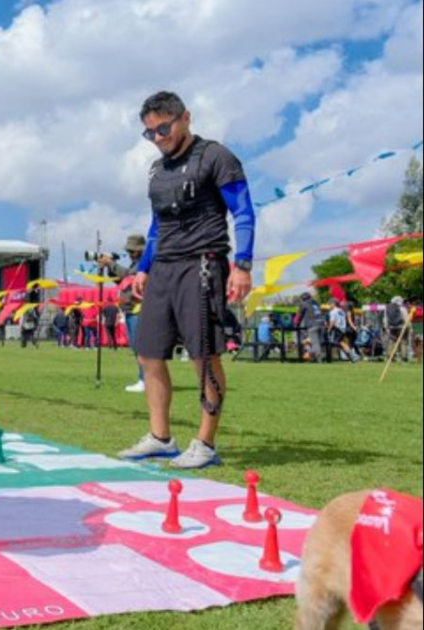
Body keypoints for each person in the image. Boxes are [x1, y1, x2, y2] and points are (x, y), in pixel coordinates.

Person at [120, 91, 256, 470]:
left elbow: (243, 212)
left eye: (164, 127)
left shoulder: (216, 156)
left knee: (203, 357)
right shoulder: (156, 170)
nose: (159, 137)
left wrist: (242, 264)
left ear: (186, 118)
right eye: (151, 133)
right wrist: (143, 268)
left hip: (202, 263)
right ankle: (161, 438)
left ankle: (205, 444)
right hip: (162, 266)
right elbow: (155, 228)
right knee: (148, 353)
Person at [103, 235, 148, 392]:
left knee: (141, 347)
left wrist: (111, 263)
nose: (130, 253)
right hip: (131, 309)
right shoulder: (136, 263)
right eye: (129, 251)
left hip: (139, 309)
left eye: (133, 251)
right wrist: (109, 267)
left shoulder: (144, 263)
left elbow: (128, 274)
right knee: (136, 347)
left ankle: (145, 380)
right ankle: (145, 380)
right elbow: (122, 280)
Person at [297, 292, 326, 363]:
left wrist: (297, 324)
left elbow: (299, 316)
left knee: (315, 343)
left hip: (312, 325)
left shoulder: (303, 304)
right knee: (319, 342)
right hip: (321, 324)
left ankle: (319, 359)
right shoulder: (316, 303)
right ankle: (315, 357)